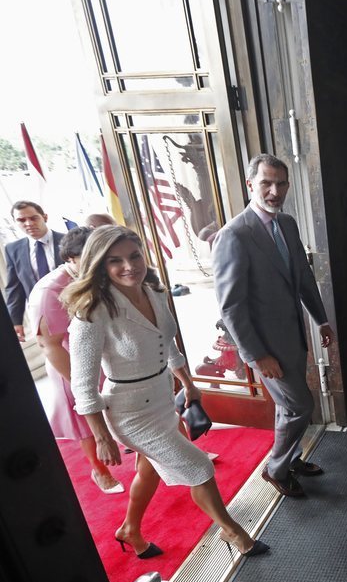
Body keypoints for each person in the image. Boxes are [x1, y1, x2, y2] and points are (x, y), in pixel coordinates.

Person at [64, 226, 266, 557]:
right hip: (129, 413)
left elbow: (167, 342)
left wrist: (188, 383)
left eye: (134, 256)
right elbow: (83, 387)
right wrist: (101, 438)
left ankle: (130, 529)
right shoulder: (91, 312)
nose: (129, 266)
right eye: (115, 261)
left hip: (160, 398)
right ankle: (233, 532)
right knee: (199, 466)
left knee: (149, 469)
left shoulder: (153, 292)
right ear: (99, 265)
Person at [212, 154, 335, 498]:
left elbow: (304, 279)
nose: (274, 190)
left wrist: (321, 319)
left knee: (288, 406)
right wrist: (256, 356)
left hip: (293, 336)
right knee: (300, 406)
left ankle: (292, 459)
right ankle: (276, 468)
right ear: (251, 184)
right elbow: (231, 306)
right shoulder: (234, 235)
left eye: (280, 183)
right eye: (266, 183)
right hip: (265, 347)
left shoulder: (288, 224)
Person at [27, 226, 123, 494]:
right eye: (90, 256)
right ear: (70, 258)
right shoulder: (49, 291)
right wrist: (83, 384)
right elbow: (50, 345)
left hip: (102, 353)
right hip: (68, 363)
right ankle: (99, 470)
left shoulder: (98, 274)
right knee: (84, 421)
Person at [4, 201, 64, 342]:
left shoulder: (68, 240)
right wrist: (15, 321)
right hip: (41, 316)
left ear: (45, 217)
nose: (28, 223)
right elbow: (14, 288)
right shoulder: (13, 249)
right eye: (21, 220)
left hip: (75, 311)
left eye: (33, 218)